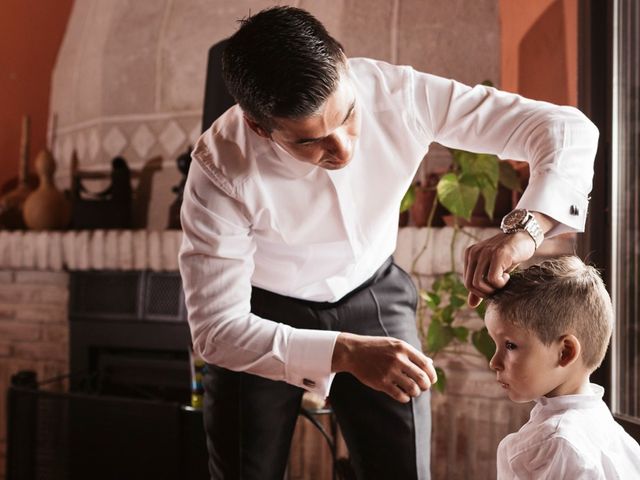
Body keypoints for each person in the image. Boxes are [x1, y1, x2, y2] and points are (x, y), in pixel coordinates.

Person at [178, 6, 599, 479]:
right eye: (308, 142)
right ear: (259, 127)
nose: (343, 149)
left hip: (373, 293)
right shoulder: (218, 167)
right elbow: (216, 331)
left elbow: (566, 129)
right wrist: (346, 353)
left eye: (349, 116)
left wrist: (525, 232)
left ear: (343, 62)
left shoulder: (401, 93)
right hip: (261, 313)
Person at [485, 256, 640, 478]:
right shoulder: (604, 427)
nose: (494, 362)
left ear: (565, 352)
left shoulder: (558, 445)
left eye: (510, 345)